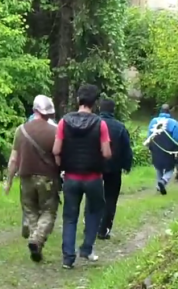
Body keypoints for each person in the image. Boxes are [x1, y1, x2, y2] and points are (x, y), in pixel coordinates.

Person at [53, 84, 112, 269]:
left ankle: (68, 258)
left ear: (78, 100)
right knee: (94, 211)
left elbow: (56, 149)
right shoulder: (100, 124)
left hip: (71, 177)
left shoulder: (64, 122)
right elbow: (107, 152)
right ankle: (86, 248)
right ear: (94, 104)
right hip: (93, 177)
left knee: (70, 216)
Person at [4, 95, 60, 262]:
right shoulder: (56, 131)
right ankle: (37, 239)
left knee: (30, 211)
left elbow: (13, 159)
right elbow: (59, 157)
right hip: (47, 179)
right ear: (50, 113)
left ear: (34, 110)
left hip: (25, 177)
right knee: (49, 211)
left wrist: (8, 181)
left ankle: (35, 243)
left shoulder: (21, 130)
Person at [97, 98, 132, 240]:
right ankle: (104, 229)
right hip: (114, 167)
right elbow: (126, 149)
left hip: (95, 166)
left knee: (95, 196)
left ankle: (91, 224)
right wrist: (127, 165)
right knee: (111, 198)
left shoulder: (93, 124)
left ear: (100, 109)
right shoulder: (120, 127)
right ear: (113, 110)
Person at [145, 104, 178, 195]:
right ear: (169, 111)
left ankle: (159, 185)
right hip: (168, 148)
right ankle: (163, 180)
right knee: (170, 167)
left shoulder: (153, 121)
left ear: (160, 111)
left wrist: (150, 146)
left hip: (156, 147)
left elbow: (149, 136)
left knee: (158, 166)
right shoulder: (173, 122)